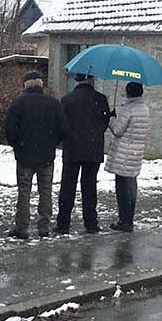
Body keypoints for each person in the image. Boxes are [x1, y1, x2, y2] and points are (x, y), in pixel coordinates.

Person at [4, 71, 67, 239]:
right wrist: (52, 142)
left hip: (25, 155)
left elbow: (10, 129)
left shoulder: (18, 103)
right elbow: (63, 129)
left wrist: (18, 144)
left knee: (24, 192)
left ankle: (22, 226)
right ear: (41, 85)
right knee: (45, 191)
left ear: (25, 85)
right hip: (46, 156)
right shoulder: (53, 103)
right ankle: (44, 226)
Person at [56, 74, 112, 234]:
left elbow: (61, 124)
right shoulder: (101, 99)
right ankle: (91, 222)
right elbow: (104, 124)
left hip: (72, 149)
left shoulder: (67, 99)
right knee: (89, 187)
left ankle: (63, 223)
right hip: (93, 149)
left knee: (68, 186)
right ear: (91, 80)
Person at [106, 81, 150, 232]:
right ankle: (129, 219)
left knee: (122, 188)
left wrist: (111, 119)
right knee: (131, 186)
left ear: (128, 93)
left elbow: (118, 130)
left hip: (124, 152)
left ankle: (124, 221)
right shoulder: (144, 109)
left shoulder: (128, 108)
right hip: (136, 152)